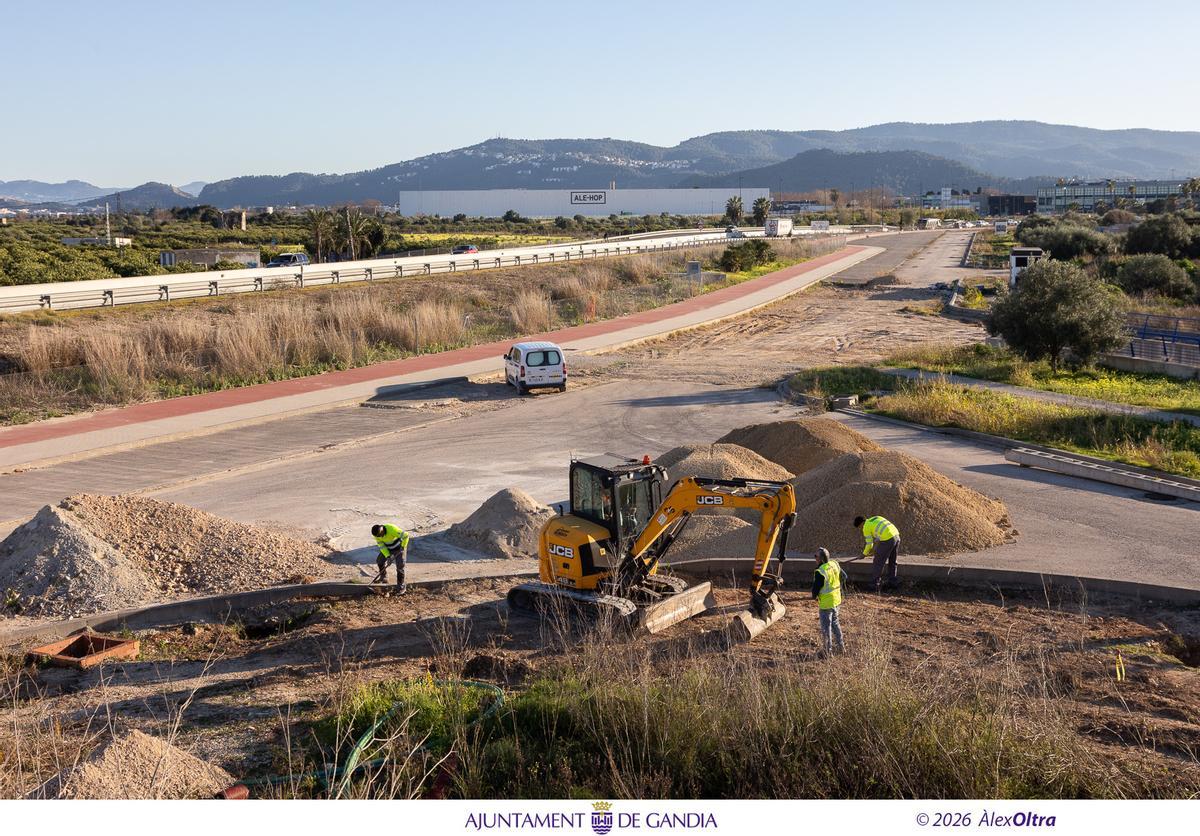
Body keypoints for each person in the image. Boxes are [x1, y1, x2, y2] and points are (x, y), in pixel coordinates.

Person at [811, 548, 846, 655]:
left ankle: (827, 651)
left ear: (821, 559)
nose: (815, 558)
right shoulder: (834, 564)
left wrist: (814, 596)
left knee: (826, 628)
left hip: (826, 603)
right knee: (835, 623)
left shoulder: (821, 571)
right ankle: (841, 647)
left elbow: (816, 588)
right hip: (837, 600)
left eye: (816, 556)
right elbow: (844, 576)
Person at [853, 514, 900, 592]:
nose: (861, 529)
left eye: (860, 527)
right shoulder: (875, 518)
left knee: (878, 562)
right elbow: (880, 532)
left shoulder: (866, 527)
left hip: (887, 539)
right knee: (892, 561)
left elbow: (869, 543)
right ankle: (893, 583)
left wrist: (864, 554)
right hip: (896, 536)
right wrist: (873, 550)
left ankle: (874, 585)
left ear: (861, 524)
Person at [371, 523, 410, 594]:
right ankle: (384, 577)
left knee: (400, 567)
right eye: (378, 536)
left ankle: (401, 587)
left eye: (380, 535)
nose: (380, 537)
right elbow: (382, 546)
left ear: (382, 529)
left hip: (399, 548)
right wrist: (388, 556)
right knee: (380, 561)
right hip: (388, 548)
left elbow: (406, 535)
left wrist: (403, 546)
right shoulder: (376, 535)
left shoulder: (391, 529)